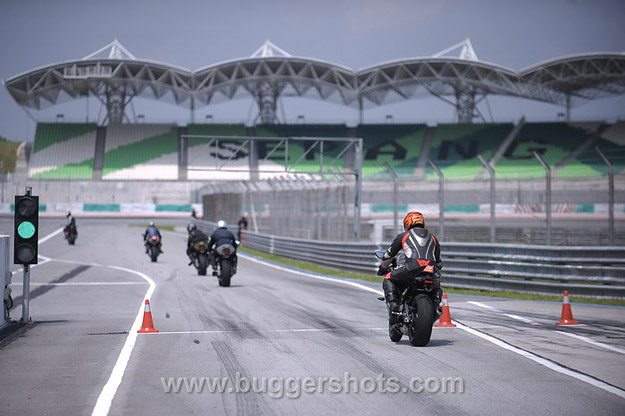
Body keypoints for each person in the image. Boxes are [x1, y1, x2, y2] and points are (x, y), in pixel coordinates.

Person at [378, 211, 443, 323]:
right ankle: (436, 305)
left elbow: (389, 255)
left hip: (412, 268)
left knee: (388, 278)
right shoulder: (433, 238)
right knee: (437, 285)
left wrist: (382, 269)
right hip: (432, 270)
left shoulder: (403, 236)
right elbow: (438, 262)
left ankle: (394, 308)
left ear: (407, 224)